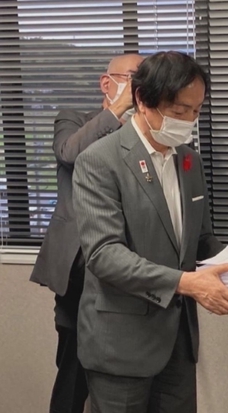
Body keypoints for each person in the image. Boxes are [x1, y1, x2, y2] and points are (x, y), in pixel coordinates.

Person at [71, 51, 228, 413]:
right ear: (142, 99)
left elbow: (201, 241)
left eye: (196, 111)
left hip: (178, 341)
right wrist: (185, 283)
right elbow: (104, 255)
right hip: (121, 346)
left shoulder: (188, 160)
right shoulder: (100, 160)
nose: (188, 121)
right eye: (180, 111)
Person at [29, 53, 143, 413]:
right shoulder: (74, 119)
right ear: (106, 83)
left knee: (125, 376)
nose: (142, 86)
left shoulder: (146, 130)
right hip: (78, 268)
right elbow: (69, 153)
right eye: (134, 77)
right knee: (73, 370)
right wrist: (119, 107)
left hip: (130, 267)